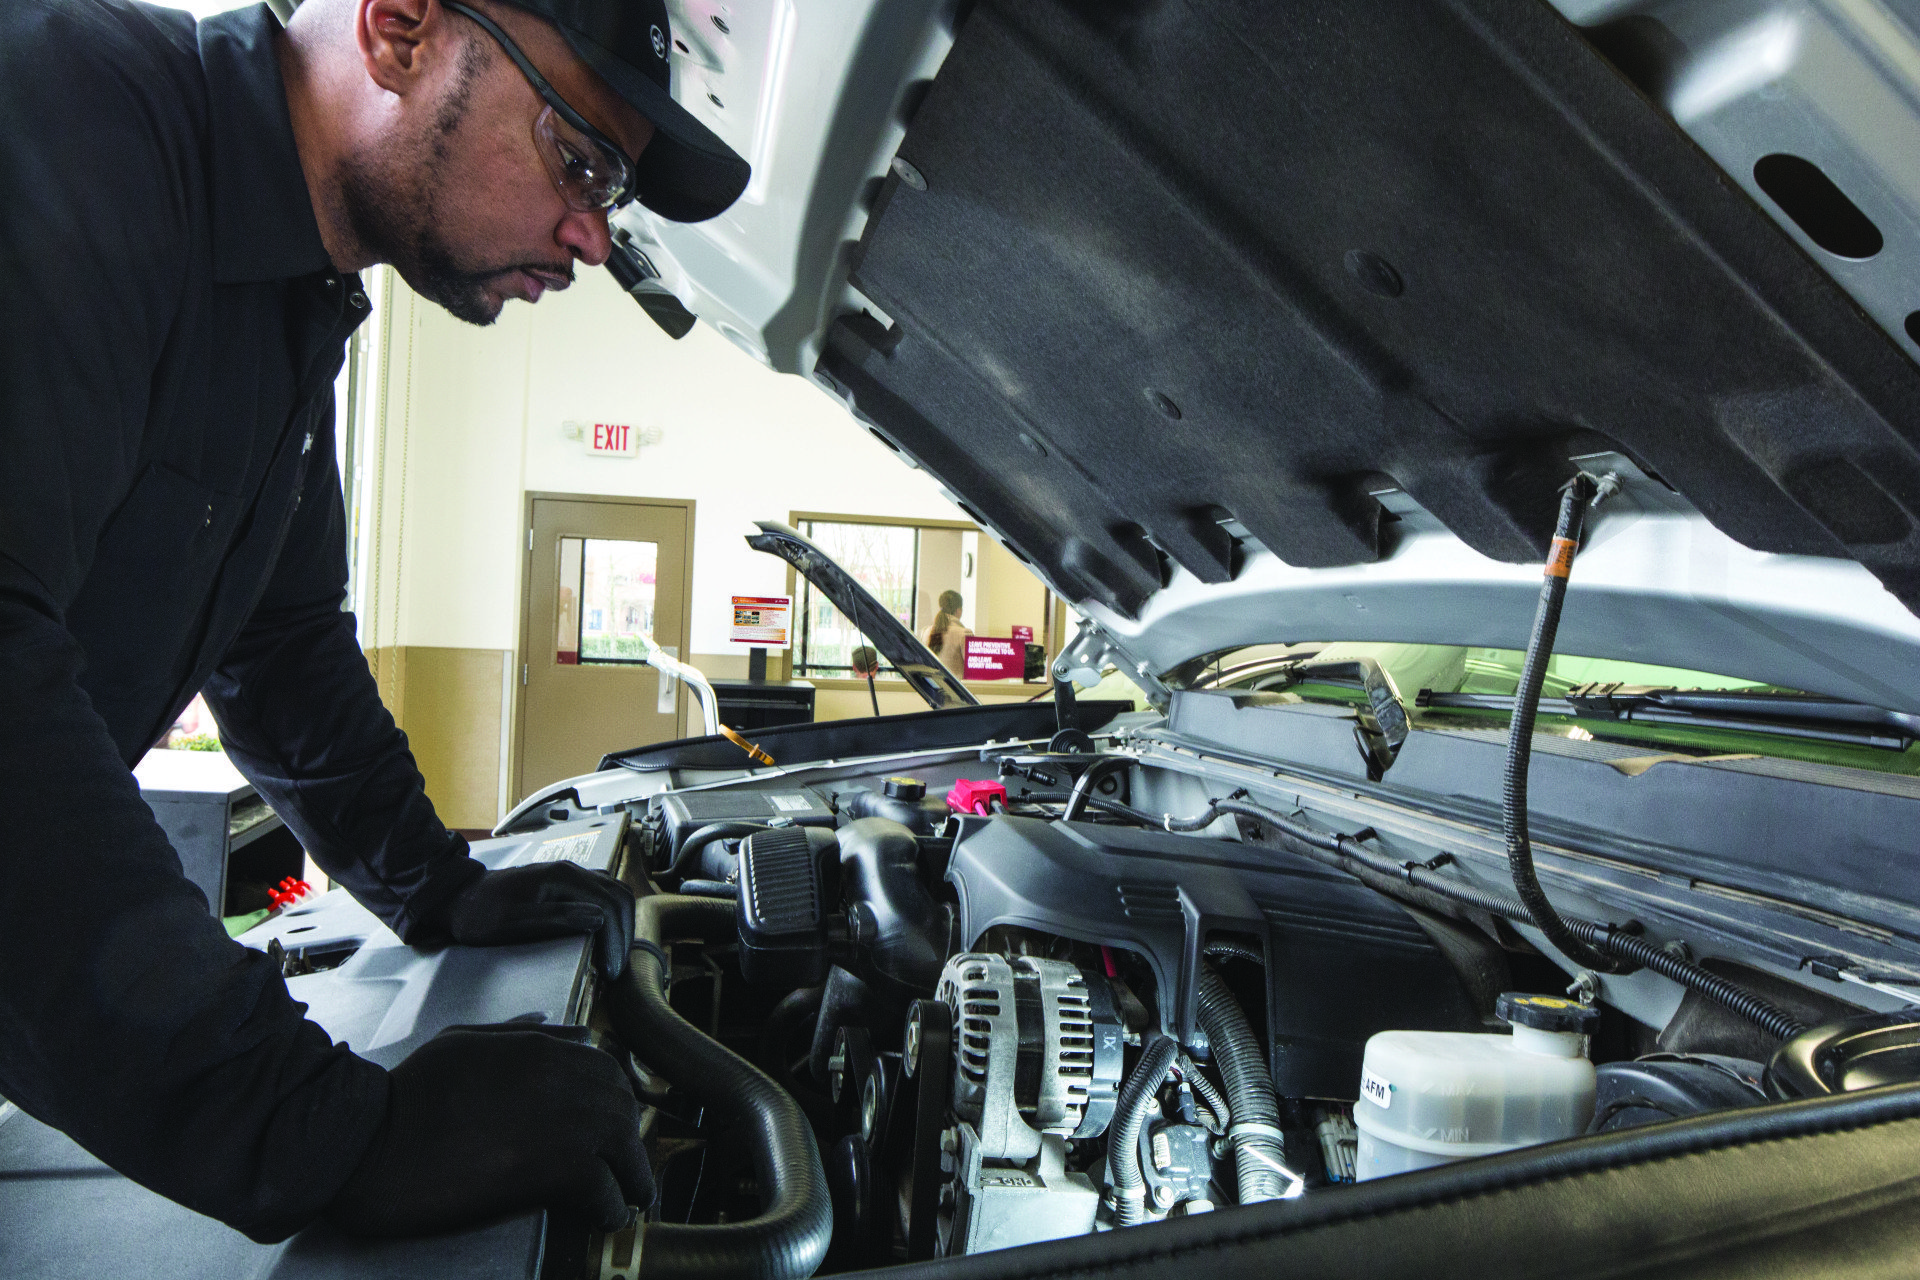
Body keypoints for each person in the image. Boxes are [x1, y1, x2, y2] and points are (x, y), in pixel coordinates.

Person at [0, 0, 748, 1245]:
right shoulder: (73, 113)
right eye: (582, 162)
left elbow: (282, 645)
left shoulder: (297, 302)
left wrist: (437, 884)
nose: (594, 239)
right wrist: (314, 1125)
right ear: (398, 31)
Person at [926, 589, 972, 674]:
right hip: (955, 686)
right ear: (959, 610)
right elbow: (972, 669)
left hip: (932, 684)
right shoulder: (964, 634)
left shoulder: (926, 632)